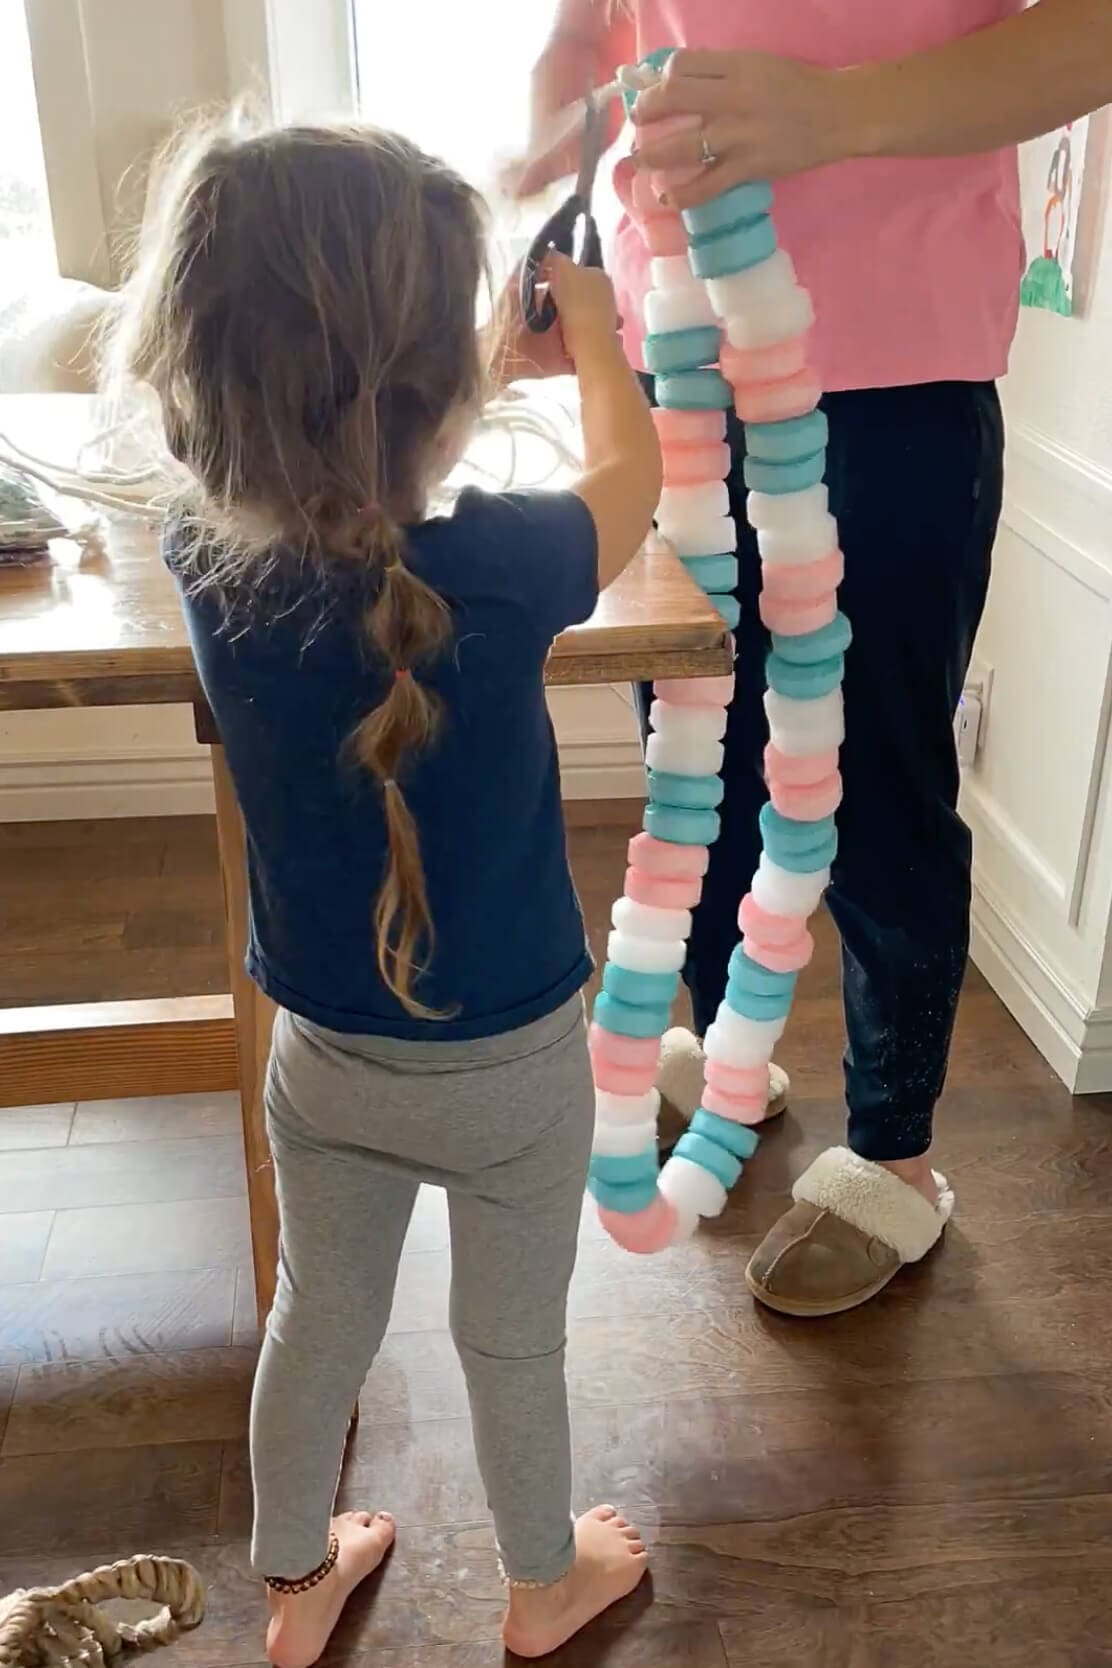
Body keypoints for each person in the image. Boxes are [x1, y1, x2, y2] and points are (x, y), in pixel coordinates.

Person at [110, 116, 662, 1666]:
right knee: (509, 1342)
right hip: (513, 1074)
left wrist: (453, 373)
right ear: (441, 390)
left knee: (317, 1328)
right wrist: (596, 341)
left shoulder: (203, 562)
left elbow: (345, 508)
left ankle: (296, 1586)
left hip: (324, 1059)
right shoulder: (513, 560)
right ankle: (545, 1581)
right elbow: (637, 473)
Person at [520, 0, 1112, 1316]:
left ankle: (894, 1152)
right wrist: (571, 78)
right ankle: (733, 1054)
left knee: (876, 791)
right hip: (669, 351)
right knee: (696, 750)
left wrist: (836, 116)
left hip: (889, 375)